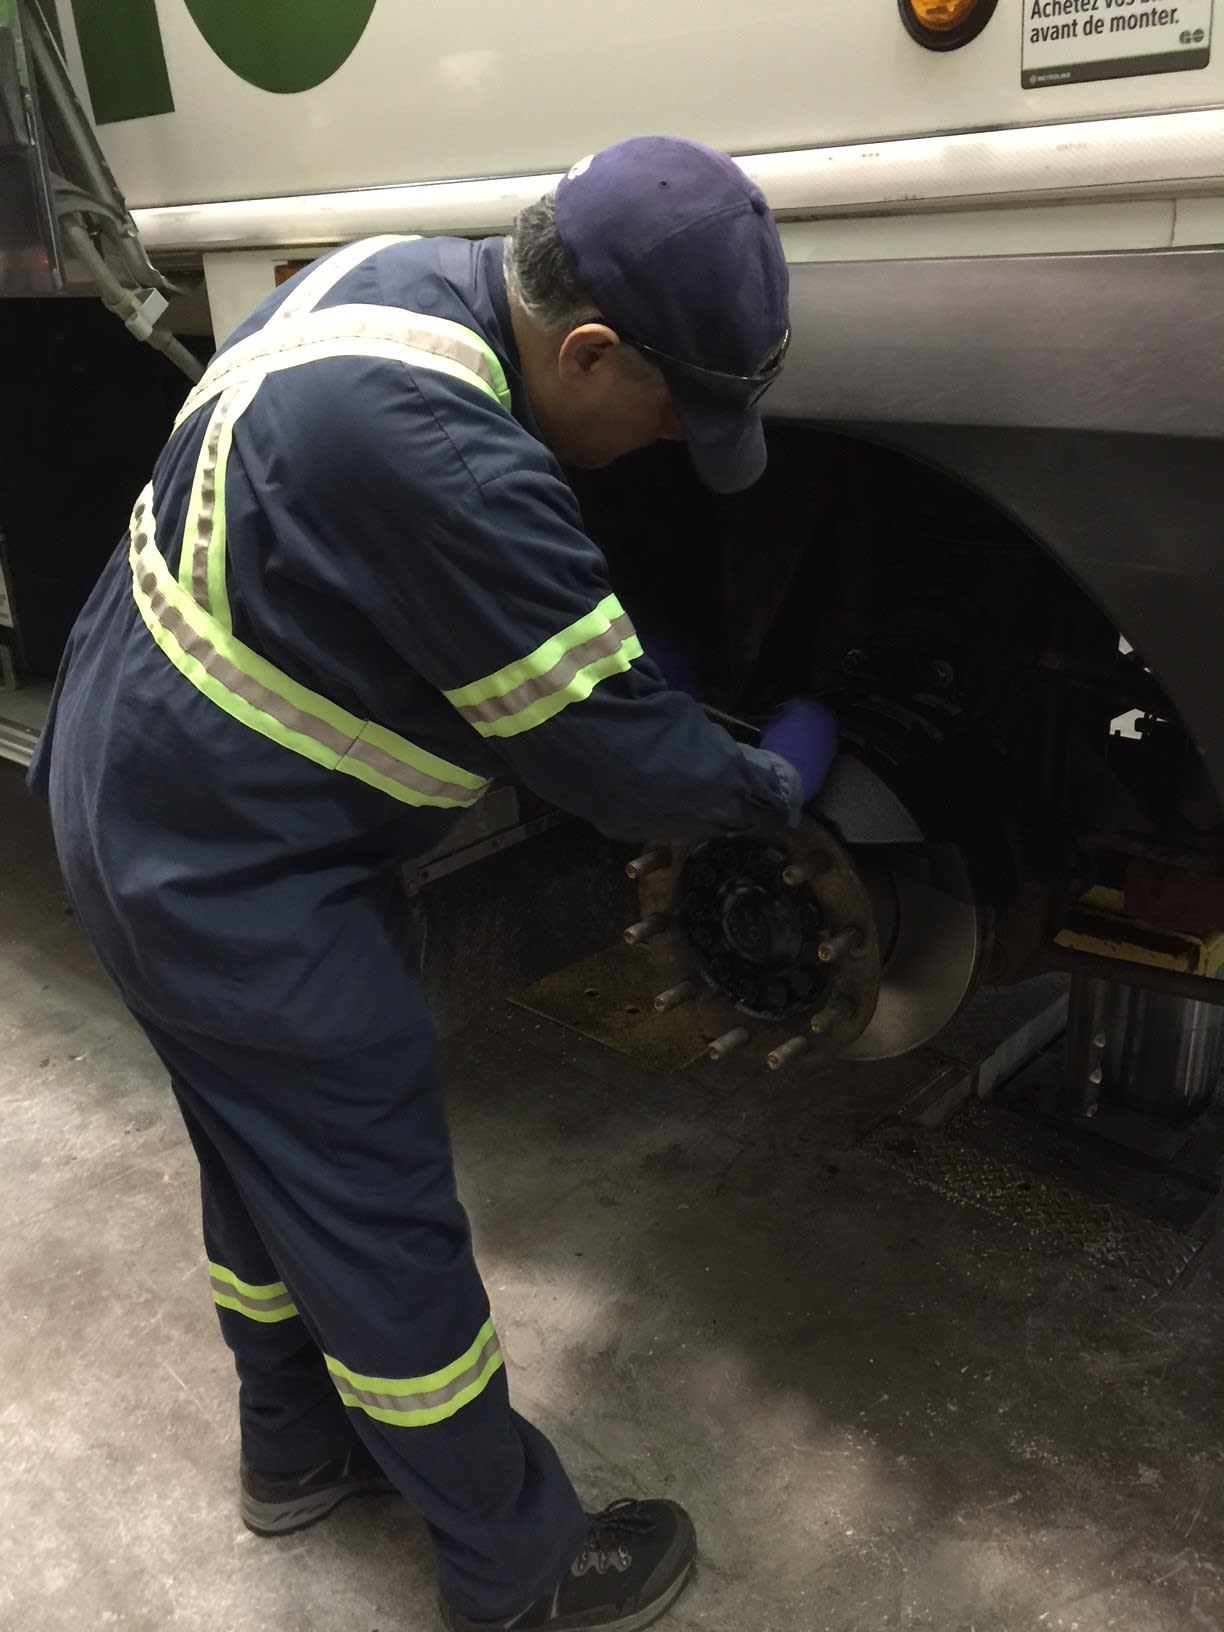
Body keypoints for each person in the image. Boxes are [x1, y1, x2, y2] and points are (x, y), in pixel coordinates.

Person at [29, 136, 837, 1631]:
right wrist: (771, 778)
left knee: (262, 1158)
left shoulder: (390, 278)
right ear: (587, 350)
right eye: (672, 413)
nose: (671, 443)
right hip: (233, 876)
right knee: (375, 1208)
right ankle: (519, 1571)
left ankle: (293, 1458)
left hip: (135, 793)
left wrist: (595, 647)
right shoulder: (445, 456)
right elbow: (622, 768)